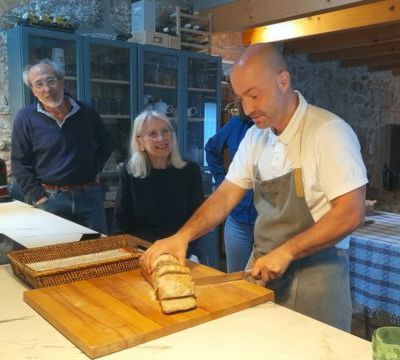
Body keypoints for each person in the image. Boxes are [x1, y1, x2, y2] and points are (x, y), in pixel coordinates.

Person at [141, 44, 368, 331]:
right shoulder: (255, 137)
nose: (247, 109)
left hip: (317, 280)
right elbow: (225, 195)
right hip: (263, 272)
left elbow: (351, 213)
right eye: (241, 99)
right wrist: (182, 236)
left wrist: (287, 251)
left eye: (254, 95)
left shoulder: (328, 132)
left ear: (283, 81)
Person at [11, 59, 111, 233]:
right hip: (51, 199)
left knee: (98, 251)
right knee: (57, 255)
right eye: (39, 84)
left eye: (51, 81)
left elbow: (106, 143)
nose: (47, 89)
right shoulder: (25, 118)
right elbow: (19, 163)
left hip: (89, 197)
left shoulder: (86, 111)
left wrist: (95, 169)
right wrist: (39, 197)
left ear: (61, 81)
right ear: (33, 91)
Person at [114, 110, 219, 268]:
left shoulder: (190, 171)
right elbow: (122, 222)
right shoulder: (129, 172)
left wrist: (184, 250)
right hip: (143, 252)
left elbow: (197, 219)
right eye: (153, 134)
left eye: (165, 131)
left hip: (182, 250)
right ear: (140, 142)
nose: (161, 138)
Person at [205, 108, 257, 272]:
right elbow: (211, 148)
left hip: (266, 224)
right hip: (237, 219)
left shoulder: (275, 130)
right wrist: (222, 180)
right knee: (236, 279)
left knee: (266, 284)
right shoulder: (236, 124)